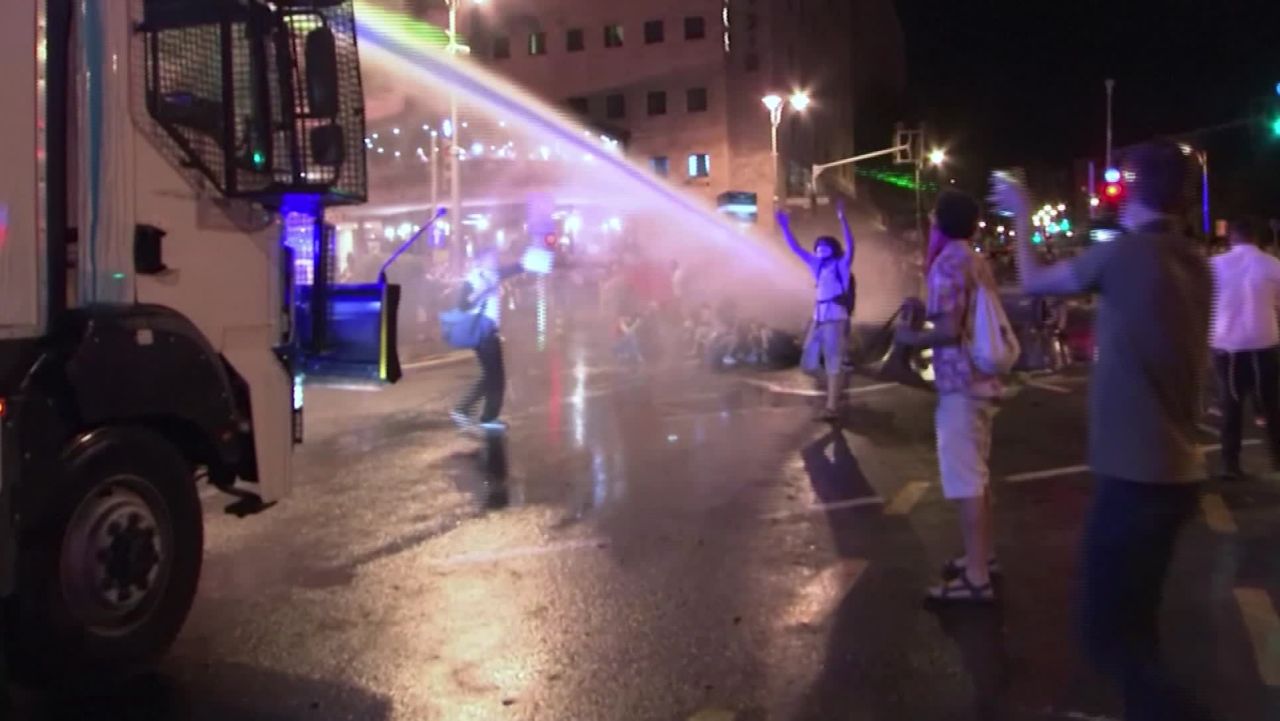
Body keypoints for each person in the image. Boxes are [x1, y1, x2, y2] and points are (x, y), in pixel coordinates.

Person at [993, 141, 1214, 721]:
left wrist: (1019, 209)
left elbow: (1034, 281)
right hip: (1177, 473)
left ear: (1135, 190)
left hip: (1135, 478)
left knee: (1105, 634)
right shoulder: (1194, 262)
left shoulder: (1125, 256)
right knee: (1138, 628)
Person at [894, 190, 1001, 603]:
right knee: (978, 477)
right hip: (983, 382)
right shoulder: (973, 258)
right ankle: (982, 557)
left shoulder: (947, 264)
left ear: (938, 222)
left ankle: (977, 580)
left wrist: (909, 336)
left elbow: (949, 331)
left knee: (965, 482)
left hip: (961, 385)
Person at [451, 247, 554, 432]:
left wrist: (532, 260)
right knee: (494, 376)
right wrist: (481, 291)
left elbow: (514, 268)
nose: (495, 261)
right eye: (491, 258)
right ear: (480, 260)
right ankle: (469, 411)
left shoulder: (491, 275)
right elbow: (462, 304)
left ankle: (479, 414)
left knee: (493, 375)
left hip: (489, 331)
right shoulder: (473, 279)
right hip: (481, 331)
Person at [1210, 217, 1280, 479]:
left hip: (1227, 347)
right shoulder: (1272, 264)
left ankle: (1231, 464)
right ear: (1257, 239)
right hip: (1264, 343)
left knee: (1231, 407)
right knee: (1271, 404)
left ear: (1231, 239)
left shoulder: (1215, 266)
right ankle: (1277, 458)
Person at [777, 200, 857, 421]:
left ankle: (832, 407)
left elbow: (851, 245)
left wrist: (843, 219)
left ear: (833, 248)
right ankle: (834, 387)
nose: (820, 248)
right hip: (818, 318)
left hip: (835, 318)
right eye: (818, 245)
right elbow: (795, 248)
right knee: (808, 364)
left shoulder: (841, 264)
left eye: (825, 245)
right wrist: (784, 226)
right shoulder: (816, 265)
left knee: (833, 362)